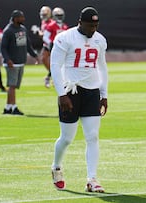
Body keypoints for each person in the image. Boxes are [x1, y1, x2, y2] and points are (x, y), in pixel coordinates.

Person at [50, 7, 108, 193]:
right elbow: (55, 66)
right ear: (80, 22)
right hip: (71, 90)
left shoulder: (100, 40)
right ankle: (56, 167)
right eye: (90, 25)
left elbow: (102, 67)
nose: (93, 29)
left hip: (92, 92)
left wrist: (104, 94)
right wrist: (61, 94)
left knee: (93, 136)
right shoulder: (65, 38)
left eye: (96, 25)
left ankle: (92, 179)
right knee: (67, 138)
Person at [0, 10, 39, 115]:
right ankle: (14, 107)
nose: (23, 19)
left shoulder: (22, 29)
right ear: (15, 18)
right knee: (12, 86)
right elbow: (3, 47)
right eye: (21, 17)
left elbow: (27, 45)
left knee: (14, 86)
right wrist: (7, 59)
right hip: (12, 62)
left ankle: (8, 107)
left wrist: (34, 55)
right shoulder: (8, 31)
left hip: (20, 61)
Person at [43, 7, 68, 88]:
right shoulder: (51, 25)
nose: (59, 17)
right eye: (58, 15)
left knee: (60, 65)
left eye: (60, 15)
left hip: (62, 48)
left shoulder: (64, 26)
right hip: (52, 47)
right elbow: (45, 37)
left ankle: (51, 78)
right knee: (55, 64)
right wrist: (51, 43)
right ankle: (49, 78)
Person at [38, 6, 54, 88]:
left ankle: (51, 76)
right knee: (43, 59)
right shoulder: (43, 22)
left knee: (55, 62)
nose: (44, 16)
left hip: (52, 44)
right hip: (46, 44)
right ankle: (52, 75)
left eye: (45, 14)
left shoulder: (52, 23)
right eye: (43, 14)